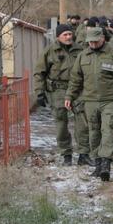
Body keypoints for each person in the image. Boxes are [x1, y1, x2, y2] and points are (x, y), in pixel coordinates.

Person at [65, 27, 113, 182]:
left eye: (96, 41)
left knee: (108, 130)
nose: (93, 44)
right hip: (90, 101)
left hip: (110, 100)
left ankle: (106, 164)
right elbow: (76, 79)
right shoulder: (83, 56)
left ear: (103, 38)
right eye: (90, 42)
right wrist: (70, 96)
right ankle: (97, 164)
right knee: (94, 133)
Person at [34, 23, 89, 165]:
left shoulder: (80, 50)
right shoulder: (50, 51)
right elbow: (39, 73)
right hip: (58, 91)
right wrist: (40, 92)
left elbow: (89, 70)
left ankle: (84, 154)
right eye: (65, 35)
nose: (68, 37)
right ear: (58, 37)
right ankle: (66, 154)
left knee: (82, 123)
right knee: (61, 124)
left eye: (70, 34)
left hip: (77, 90)